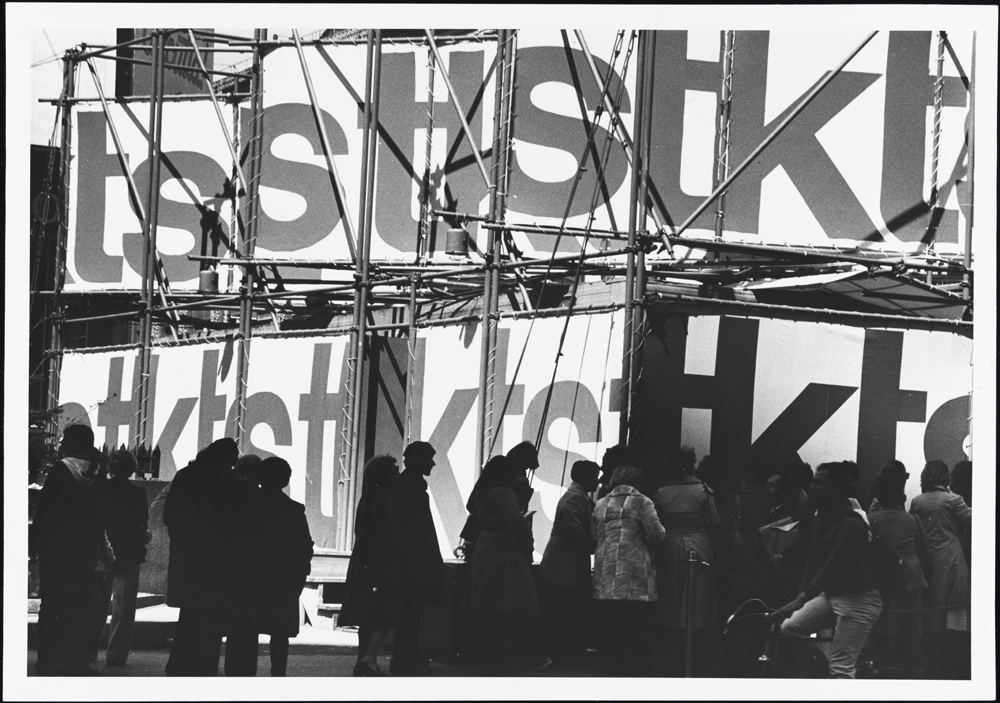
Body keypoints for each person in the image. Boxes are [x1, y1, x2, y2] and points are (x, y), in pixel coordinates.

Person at [768, 461, 883, 679]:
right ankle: (822, 682)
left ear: (837, 487)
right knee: (790, 629)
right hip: (833, 595)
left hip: (859, 602)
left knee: (841, 667)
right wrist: (800, 596)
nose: (813, 486)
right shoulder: (822, 515)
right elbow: (814, 558)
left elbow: (830, 567)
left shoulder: (852, 523)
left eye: (820, 482)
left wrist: (798, 600)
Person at [163, 438, 241, 676]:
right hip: (214, 561)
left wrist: (182, 541)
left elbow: (170, 515)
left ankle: (178, 664)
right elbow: (233, 523)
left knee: (188, 615)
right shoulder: (228, 481)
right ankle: (205, 666)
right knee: (212, 619)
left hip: (187, 558)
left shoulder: (186, 474)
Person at [34, 424, 108, 676]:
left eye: (65, 439)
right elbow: (100, 517)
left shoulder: (59, 471)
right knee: (80, 607)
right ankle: (77, 661)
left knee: (53, 605)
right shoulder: (99, 472)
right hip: (84, 553)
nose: (61, 443)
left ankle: (49, 660)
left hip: (56, 552)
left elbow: (45, 514)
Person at [465, 455, 540, 676]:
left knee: (488, 604)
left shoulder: (484, 492)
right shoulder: (504, 493)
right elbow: (515, 522)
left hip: (485, 546)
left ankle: (489, 659)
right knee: (506, 604)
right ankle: (504, 659)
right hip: (503, 549)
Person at [592, 465, 666, 676]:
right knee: (635, 626)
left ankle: (612, 669)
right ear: (638, 481)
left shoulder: (600, 503)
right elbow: (657, 534)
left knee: (612, 626)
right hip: (633, 573)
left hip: (606, 572)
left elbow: (593, 534)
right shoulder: (642, 502)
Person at [652, 447, 720, 674]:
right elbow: (713, 520)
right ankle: (695, 645)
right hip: (698, 543)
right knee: (698, 598)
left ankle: (673, 647)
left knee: (671, 595)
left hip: (669, 545)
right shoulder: (702, 489)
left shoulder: (661, 492)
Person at [244, 456, 314, 677]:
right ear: (285, 480)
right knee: (280, 634)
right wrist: (299, 577)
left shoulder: (246, 505)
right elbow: (304, 547)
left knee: (247, 631)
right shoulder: (293, 510)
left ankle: (244, 676)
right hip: (283, 581)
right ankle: (278, 676)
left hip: (251, 579)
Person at [339, 456, 402, 677]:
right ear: (385, 475)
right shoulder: (387, 499)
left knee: (367, 615)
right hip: (380, 561)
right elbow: (390, 534)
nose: (397, 475)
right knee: (384, 613)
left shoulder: (367, 498)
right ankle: (370, 658)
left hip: (363, 559)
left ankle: (362, 658)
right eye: (394, 471)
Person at [909, 459, 972, 679]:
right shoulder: (954, 500)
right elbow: (973, 519)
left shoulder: (917, 502)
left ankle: (933, 665)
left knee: (932, 614)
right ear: (945, 477)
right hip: (953, 558)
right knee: (955, 613)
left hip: (929, 560)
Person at [866, 473, 929, 678]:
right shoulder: (913, 520)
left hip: (882, 582)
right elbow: (924, 549)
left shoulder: (871, 520)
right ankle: (905, 672)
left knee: (882, 630)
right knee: (908, 631)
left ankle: (885, 670)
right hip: (911, 580)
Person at [539, 460, 599, 670]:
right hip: (565, 564)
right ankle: (567, 657)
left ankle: (565, 656)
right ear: (586, 477)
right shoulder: (575, 498)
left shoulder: (576, 496)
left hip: (564, 563)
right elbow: (574, 531)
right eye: (595, 476)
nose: (598, 480)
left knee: (565, 611)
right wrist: (594, 546)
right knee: (568, 611)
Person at [391, 442, 445, 676]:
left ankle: (404, 659)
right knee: (411, 614)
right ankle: (406, 660)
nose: (432, 463)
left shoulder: (406, 486)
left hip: (409, 562)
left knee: (408, 614)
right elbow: (421, 531)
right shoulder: (413, 489)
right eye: (429, 459)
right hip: (415, 562)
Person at [103, 450, 151, 667]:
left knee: (97, 602)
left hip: (102, 550)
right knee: (123, 605)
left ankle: (87, 650)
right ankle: (116, 653)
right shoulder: (137, 493)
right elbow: (141, 524)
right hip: (128, 552)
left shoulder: (101, 490)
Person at [225, 454, 264, 677]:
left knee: (247, 626)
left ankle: (244, 669)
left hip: (249, 572)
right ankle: (238, 669)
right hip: (239, 570)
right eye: (242, 474)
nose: (245, 479)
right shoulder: (235, 499)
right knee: (240, 625)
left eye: (250, 475)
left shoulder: (243, 500)